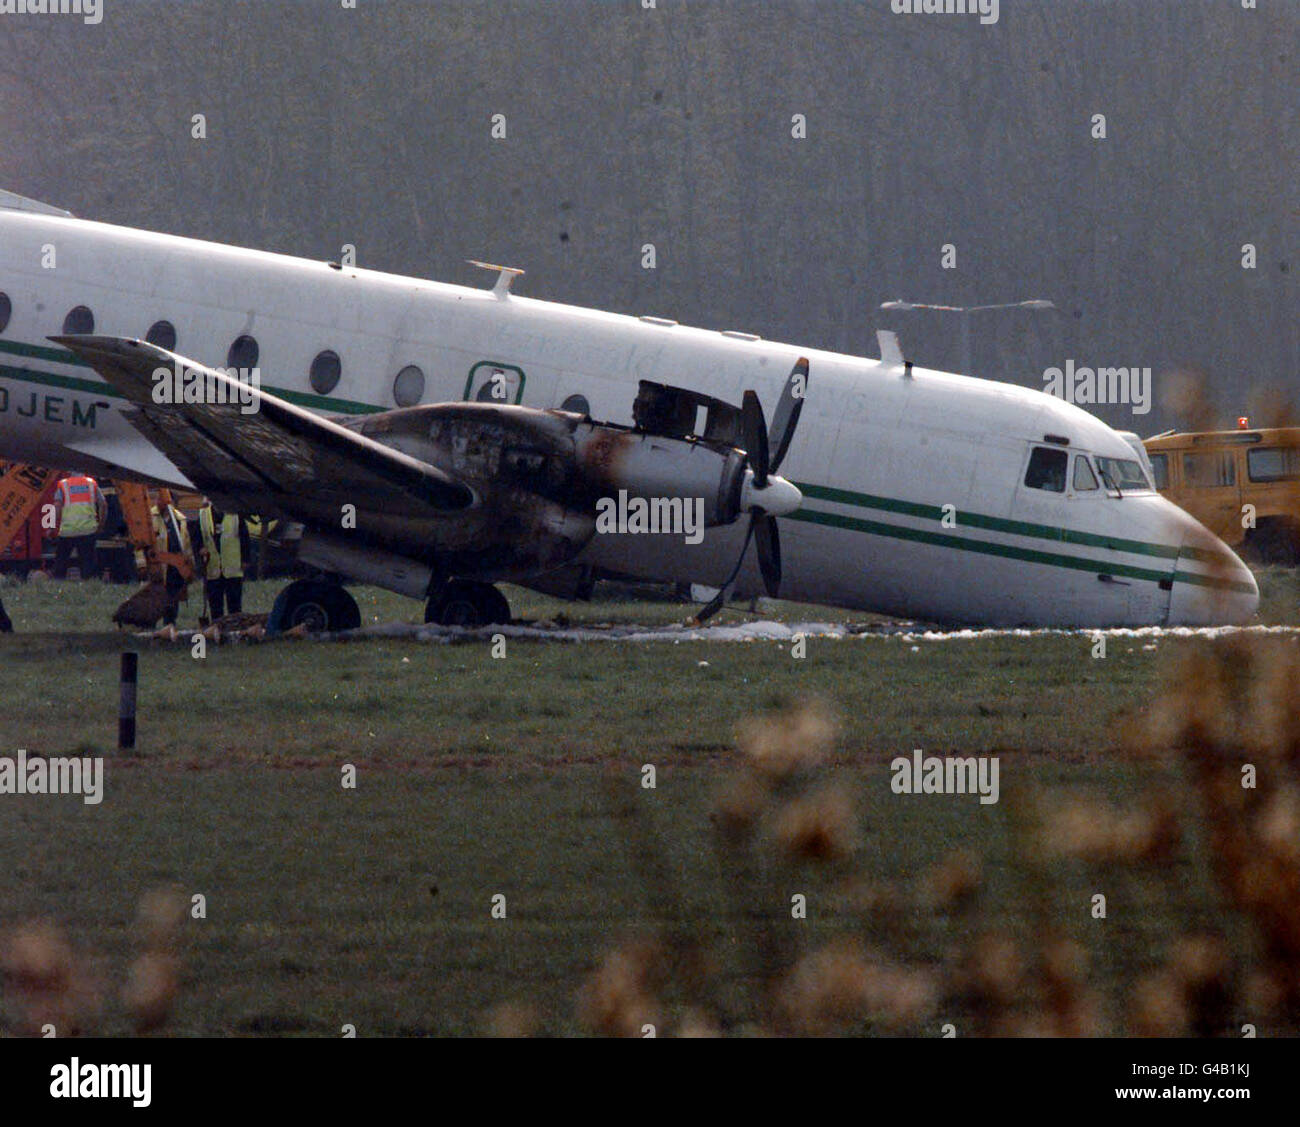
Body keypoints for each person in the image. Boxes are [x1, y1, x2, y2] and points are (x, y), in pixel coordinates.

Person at [193, 501, 252, 619]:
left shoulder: (235, 515)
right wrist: (200, 549)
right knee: (215, 606)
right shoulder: (203, 514)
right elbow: (196, 537)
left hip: (232, 569)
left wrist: (245, 559)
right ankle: (217, 630)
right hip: (212, 569)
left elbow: (245, 538)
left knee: (234, 606)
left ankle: (235, 629)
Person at [51, 472, 107, 580]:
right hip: (88, 531)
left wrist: (51, 526)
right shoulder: (92, 483)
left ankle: (57, 587)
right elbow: (103, 504)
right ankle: (89, 588)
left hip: (67, 531)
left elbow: (57, 506)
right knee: (88, 564)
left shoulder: (63, 484)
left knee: (60, 564)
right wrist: (101, 524)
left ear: (69, 472)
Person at [151, 492, 192, 626]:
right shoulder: (150, 517)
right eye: (157, 499)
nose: (158, 502)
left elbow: (186, 544)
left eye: (161, 499)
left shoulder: (180, 520)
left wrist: (189, 565)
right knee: (155, 598)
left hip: (175, 568)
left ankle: (170, 625)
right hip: (158, 566)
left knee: (173, 597)